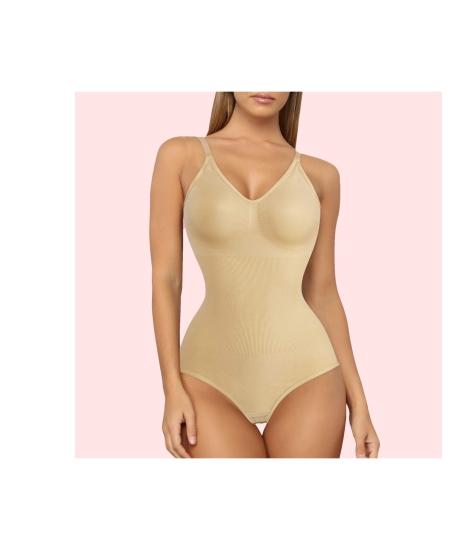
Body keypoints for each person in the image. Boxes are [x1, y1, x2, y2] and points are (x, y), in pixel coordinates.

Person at [149, 92, 380, 458]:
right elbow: (167, 279)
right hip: (208, 376)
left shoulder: (322, 176)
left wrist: (360, 402)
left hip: (309, 373)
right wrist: (170, 387)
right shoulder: (180, 156)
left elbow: (322, 292)